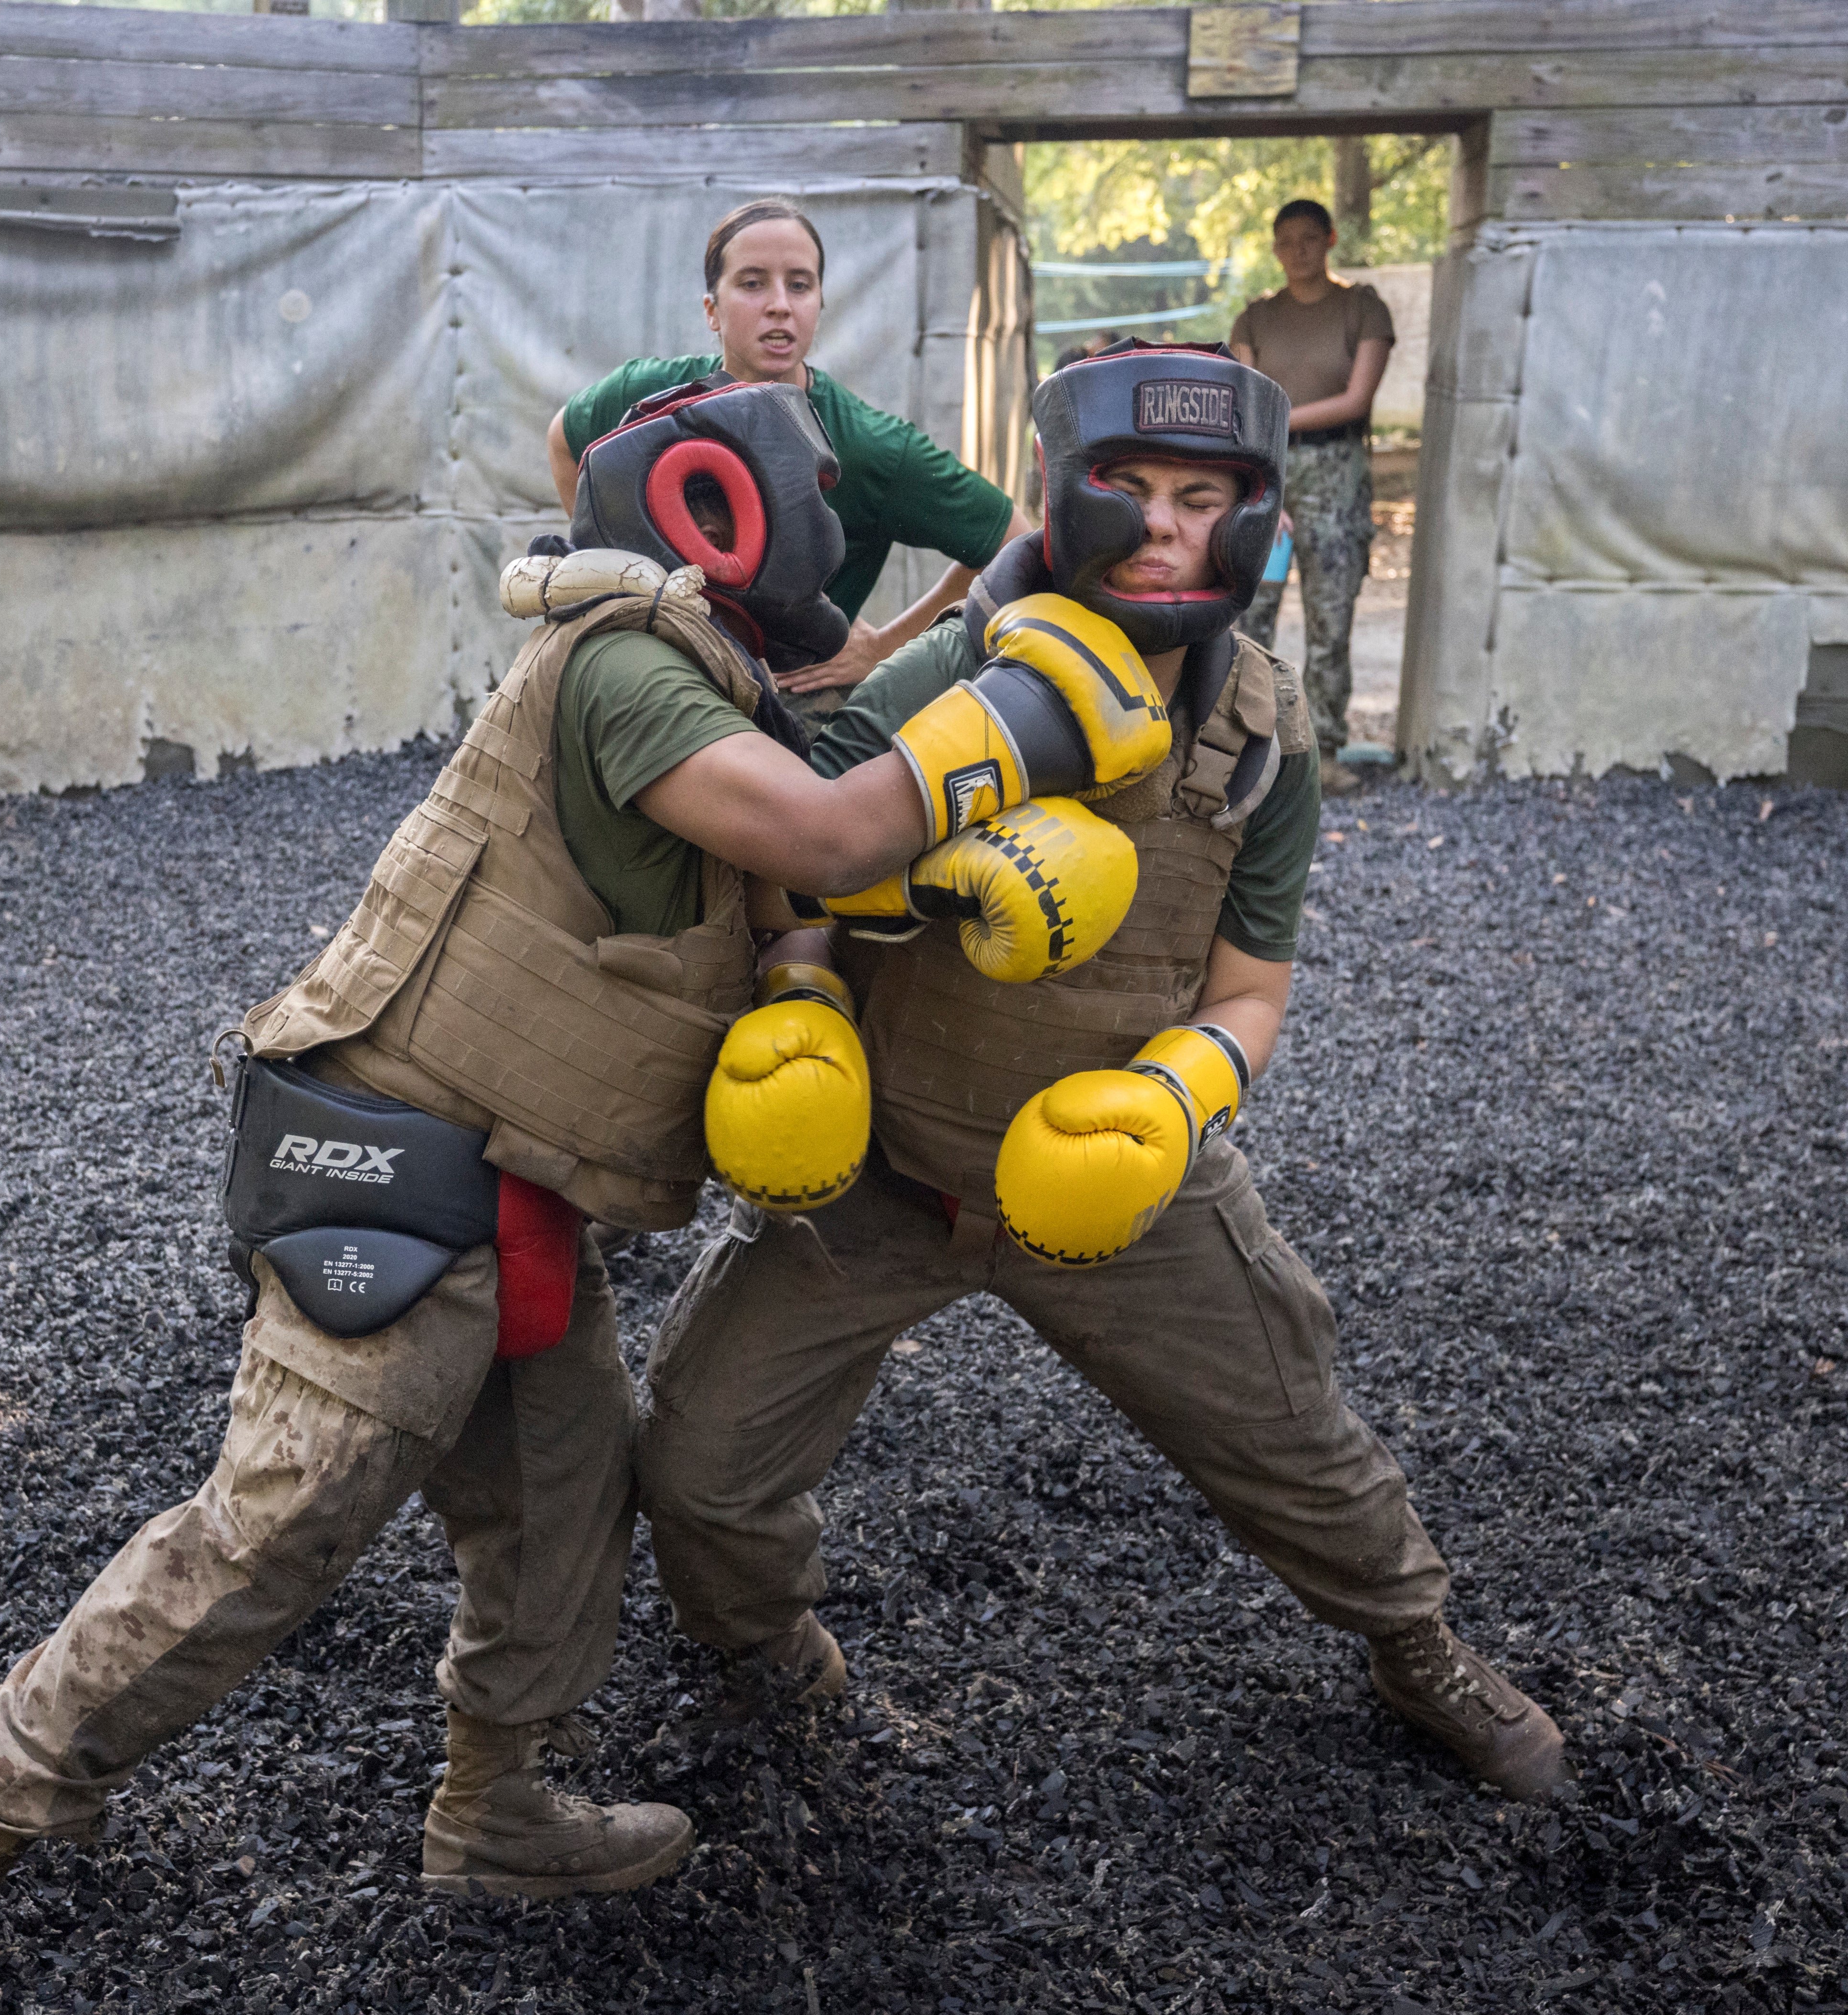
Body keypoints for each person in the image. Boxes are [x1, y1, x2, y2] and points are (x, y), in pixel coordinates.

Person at [0, 379, 1174, 1977]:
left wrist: (1022, 585)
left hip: (533, 1182)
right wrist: (1021, 718)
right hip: (397, 1161)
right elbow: (827, 826)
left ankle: (494, 1807)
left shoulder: (714, 683)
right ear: (714, 501)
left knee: (563, 1491)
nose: (843, 517)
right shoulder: (620, 667)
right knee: (285, 1521)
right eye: (818, 484)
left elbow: (834, 764)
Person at [636, 343, 1571, 1803]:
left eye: (1202, 496)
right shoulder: (955, 669)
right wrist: (803, 1004)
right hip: (886, 1171)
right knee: (695, 1462)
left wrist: (1177, 1095)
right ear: (1061, 495)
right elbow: (798, 874)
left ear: (1252, 513)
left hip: (1125, 1184)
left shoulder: (1259, 733)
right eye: (1126, 489)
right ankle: (767, 1655)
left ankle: (1413, 1640)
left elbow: (1251, 988)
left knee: (1301, 1445)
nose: (1160, 527)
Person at [547, 197, 1035, 705]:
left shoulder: (867, 448)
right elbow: (563, 442)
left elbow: (1014, 542)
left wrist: (884, 647)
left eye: (799, 285)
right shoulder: (644, 397)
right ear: (711, 309)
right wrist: (612, 566)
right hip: (647, 669)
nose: (779, 303)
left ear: (818, 307)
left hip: (779, 705)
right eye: (752, 283)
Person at [1232, 198, 1394, 795]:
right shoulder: (1254, 318)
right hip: (1266, 471)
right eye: (1284, 241)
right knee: (1252, 615)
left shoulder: (1361, 306)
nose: (1296, 250)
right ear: (1274, 249)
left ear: (1328, 240)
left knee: (1332, 614)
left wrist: (1280, 419)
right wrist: (1264, 471)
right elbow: (1246, 403)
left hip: (1336, 473)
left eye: (1307, 238)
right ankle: (1244, 750)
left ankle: (1322, 751)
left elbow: (1356, 399)